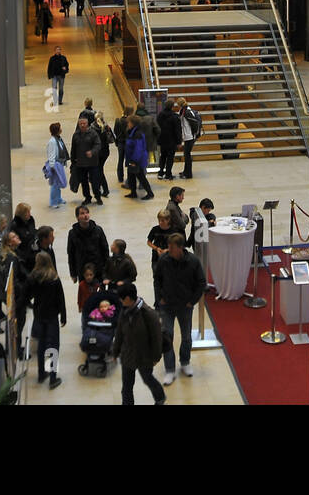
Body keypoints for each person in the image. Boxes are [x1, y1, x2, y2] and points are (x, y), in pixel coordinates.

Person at [153, 233, 206, 385]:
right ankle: (169, 369)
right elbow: (157, 279)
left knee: (186, 336)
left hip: (185, 306)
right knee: (167, 336)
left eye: (172, 248)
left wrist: (192, 301)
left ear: (181, 248)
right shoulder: (164, 260)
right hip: (167, 305)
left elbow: (201, 282)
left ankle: (185, 362)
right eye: (168, 247)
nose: (168, 250)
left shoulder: (193, 261)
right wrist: (159, 298)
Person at [111, 283, 166, 405]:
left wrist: (156, 357)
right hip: (127, 355)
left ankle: (160, 397)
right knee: (126, 387)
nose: (120, 301)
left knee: (148, 379)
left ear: (128, 299)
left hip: (144, 356)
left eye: (121, 299)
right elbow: (119, 332)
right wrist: (115, 351)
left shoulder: (149, 315)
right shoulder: (124, 310)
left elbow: (157, 338)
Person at [27, 252, 67, 389]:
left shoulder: (32, 277)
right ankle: (53, 378)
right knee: (54, 346)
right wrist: (63, 315)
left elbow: (26, 294)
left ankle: (41, 374)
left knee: (42, 344)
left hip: (39, 315)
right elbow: (60, 298)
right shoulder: (54, 278)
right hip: (51, 316)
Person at [66, 204, 109, 282]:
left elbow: (105, 250)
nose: (86, 215)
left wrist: (106, 272)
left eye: (87, 213)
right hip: (82, 270)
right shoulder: (72, 233)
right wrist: (73, 274)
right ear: (77, 217)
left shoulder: (98, 230)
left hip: (98, 269)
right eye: (82, 213)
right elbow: (71, 254)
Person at [70, 117, 104, 205]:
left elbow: (98, 144)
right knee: (84, 182)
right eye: (80, 124)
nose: (82, 125)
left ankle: (98, 196)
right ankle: (87, 197)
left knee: (95, 182)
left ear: (87, 124)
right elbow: (73, 149)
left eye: (84, 123)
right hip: (81, 164)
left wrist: (92, 152)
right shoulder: (76, 135)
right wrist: (73, 161)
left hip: (92, 163)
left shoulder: (93, 133)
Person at [123, 115, 153, 200]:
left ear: (133, 123)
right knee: (131, 175)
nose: (127, 124)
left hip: (137, 159)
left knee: (141, 177)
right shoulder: (132, 131)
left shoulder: (137, 134)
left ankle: (150, 193)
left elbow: (138, 149)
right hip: (131, 158)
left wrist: (134, 161)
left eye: (128, 122)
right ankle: (133, 193)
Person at [45, 122, 69, 209]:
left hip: (59, 164)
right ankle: (53, 202)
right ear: (57, 130)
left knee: (58, 183)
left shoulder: (58, 139)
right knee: (55, 184)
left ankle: (58, 199)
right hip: (55, 165)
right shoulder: (52, 142)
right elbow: (51, 155)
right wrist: (53, 167)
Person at [157, 99, 182, 181]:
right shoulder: (175, 116)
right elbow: (177, 130)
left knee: (163, 156)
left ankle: (160, 173)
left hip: (162, 139)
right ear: (172, 106)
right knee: (170, 158)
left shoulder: (160, 115)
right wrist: (179, 142)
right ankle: (168, 174)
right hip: (172, 141)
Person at [179, 99, 202, 179]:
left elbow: (194, 124)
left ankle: (188, 174)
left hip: (190, 137)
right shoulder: (184, 110)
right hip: (188, 136)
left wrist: (194, 134)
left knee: (187, 155)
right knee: (186, 154)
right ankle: (186, 171)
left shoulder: (187, 112)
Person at [94, 111, 113, 201]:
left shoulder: (93, 128)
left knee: (99, 170)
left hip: (98, 153)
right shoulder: (107, 127)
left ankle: (105, 189)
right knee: (99, 169)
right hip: (105, 152)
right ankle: (101, 187)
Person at [114, 106, 133, 186]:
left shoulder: (118, 120)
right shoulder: (129, 121)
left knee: (120, 160)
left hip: (120, 142)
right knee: (129, 161)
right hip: (127, 143)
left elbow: (115, 130)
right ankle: (129, 178)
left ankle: (120, 177)